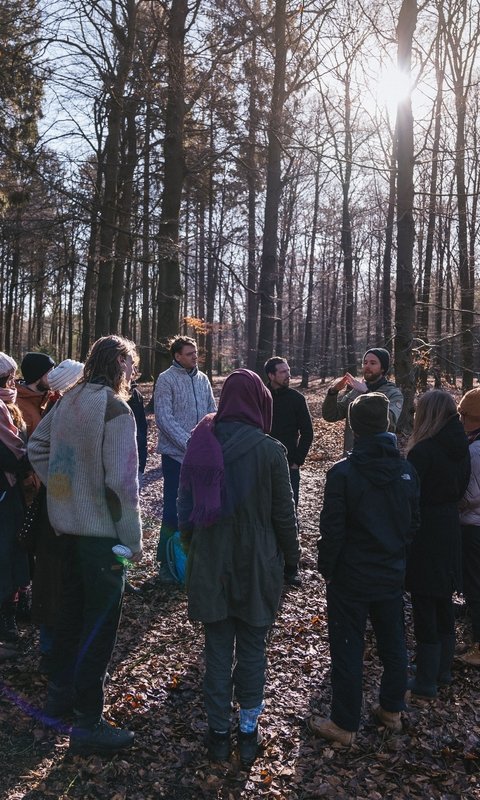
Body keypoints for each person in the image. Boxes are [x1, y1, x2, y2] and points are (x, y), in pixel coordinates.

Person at [177, 369, 300, 766]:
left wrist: (193, 545)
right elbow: (285, 515)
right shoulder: (270, 451)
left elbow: (184, 506)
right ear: (260, 402)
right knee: (251, 649)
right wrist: (292, 561)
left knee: (216, 650)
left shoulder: (201, 441)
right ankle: (247, 732)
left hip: (211, 559)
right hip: (257, 562)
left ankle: (218, 734)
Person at [28, 336, 143, 756]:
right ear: (116, 363)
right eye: (130, 365)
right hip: (101, 541)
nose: (132, 373)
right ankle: (88, 724)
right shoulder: (115, 409)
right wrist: (133, 542)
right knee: (98, 628)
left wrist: (63, 493)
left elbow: (37, 447)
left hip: (64, 533)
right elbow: (122, 487)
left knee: (69, 618)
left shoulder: (67, 400)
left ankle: (59, 702)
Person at [309, 393, 420, 747]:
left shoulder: (344, 472)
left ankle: (345, 723)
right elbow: (413, 523)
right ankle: (391, 709)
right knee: (393, 643)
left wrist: (329, 567)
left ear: (354, 426)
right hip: (388, 571)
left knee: (347, 647)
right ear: (386, 423)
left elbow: (333, 529)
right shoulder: (406, 470)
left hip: (352, 576)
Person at [405, 390, 470, 699]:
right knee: (442, 599)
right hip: (450, 528)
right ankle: (442, 670)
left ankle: (426, 679)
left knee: (423, 603)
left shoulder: (424, 451)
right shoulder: (462, 449)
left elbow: (410, 497)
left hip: (427, 531)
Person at [32, 359, 85, 673]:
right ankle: (52, 653)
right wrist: (62, 487)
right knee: (54, 580)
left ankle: (53, 650)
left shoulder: (64, 407)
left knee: (56, 580)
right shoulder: (63, 410)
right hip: (56, 510)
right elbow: (39, 450)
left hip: (59, 505)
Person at [154, 335, 216, 581]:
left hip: (202, 456)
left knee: (199, 507)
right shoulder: (165, 379)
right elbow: (164, 418)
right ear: (177, 356)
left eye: (195, 352)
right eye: (189, 353)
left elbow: (212, 410)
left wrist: (210, 440)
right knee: (173, 508)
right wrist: (189, 443)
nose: (194, 356)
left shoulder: (203, 379)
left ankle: (193, 560)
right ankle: (167, 563)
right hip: (175, 456)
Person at [0, 353, 31, 655]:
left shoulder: (8, 405)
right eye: (8, 377)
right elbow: (11, 452)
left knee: (13, 549)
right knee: (6, 552)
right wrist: (26, 462)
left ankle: (15, 608)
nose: (12, 381)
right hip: (4, 490)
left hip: (11, 491)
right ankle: (6, 623)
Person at [322, 347, 403, 454]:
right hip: (354, 454)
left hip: (380, 456)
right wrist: (333, 392)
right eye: (365, 363)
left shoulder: (393, 393)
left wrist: (367, 393)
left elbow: (390, 423)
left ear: (383, 368)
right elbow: (331, 415)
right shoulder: (357, 391)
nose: (367, 366)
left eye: (373, 363)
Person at [265, 357, 314, 509]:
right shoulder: (261, 397)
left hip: (288, 465)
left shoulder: (297, 399)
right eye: (283, 372)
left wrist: (297, 462)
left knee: (289, 510)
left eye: (288, 371)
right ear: (271, 375)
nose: (288, 375)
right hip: (262, 464)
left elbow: (307, 432)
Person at [457, 388, 480, 666]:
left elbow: (465, 495)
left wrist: (459, 505)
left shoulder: (474, 451)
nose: (462, 421)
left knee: (474, 585)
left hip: (473, 527)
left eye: (466, 416)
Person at [16, 352, 55, 438]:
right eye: (50, 373)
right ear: (37, 378)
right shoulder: (18, 405)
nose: (54, 376)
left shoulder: (52, 397)